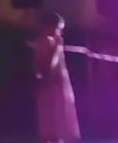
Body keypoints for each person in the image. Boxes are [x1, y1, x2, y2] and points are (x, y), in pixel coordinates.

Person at [31, 13, 80, 143]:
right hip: (50, 87)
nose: (59, 33)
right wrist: (56, 48)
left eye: (60, 30)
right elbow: (47, 66)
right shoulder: (45, 42)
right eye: (57, 29)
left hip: (58, 86)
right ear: (47, 26)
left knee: (58, 125)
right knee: (52, 123)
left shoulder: (52, 41)